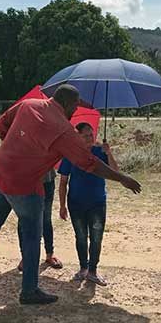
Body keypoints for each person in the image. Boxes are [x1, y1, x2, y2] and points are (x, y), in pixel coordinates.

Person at [0, 84, 142, 305]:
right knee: (31, 237)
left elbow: (1, 125)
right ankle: (29, 290)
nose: (75, 111)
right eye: (75, 106)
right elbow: (89, 163)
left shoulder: (27, 105)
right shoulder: (63, 129)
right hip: (25, 185)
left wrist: (17, 147)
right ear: (68, 103)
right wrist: (122, 178)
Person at [58, 123, 116, 286]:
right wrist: (62, 206)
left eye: (92, 134)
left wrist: (109, 153)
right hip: (76, 203)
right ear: (78, 137)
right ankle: (83, 267)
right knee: (81, 236)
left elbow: (115, 171)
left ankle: (93, 271)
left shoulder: (100, 152)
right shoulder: (70, 154)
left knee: (96, 237)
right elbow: (63, 182)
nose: (91, 138)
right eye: (86, 135)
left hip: (97, 202)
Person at [15, 169, 63, 272]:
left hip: (47, 180)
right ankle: (25, 257)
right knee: (24, 219)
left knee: (46, 218)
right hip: (26, 180)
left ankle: (49, 254)